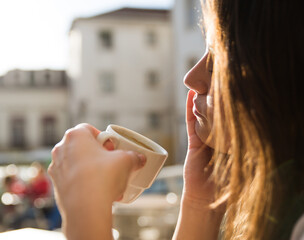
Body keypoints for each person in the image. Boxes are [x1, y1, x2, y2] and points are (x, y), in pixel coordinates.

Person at [48, 0, 304, 239]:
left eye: (218, 59)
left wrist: (86, 209)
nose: (191, 78)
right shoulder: (279, 199)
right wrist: (200, 204)